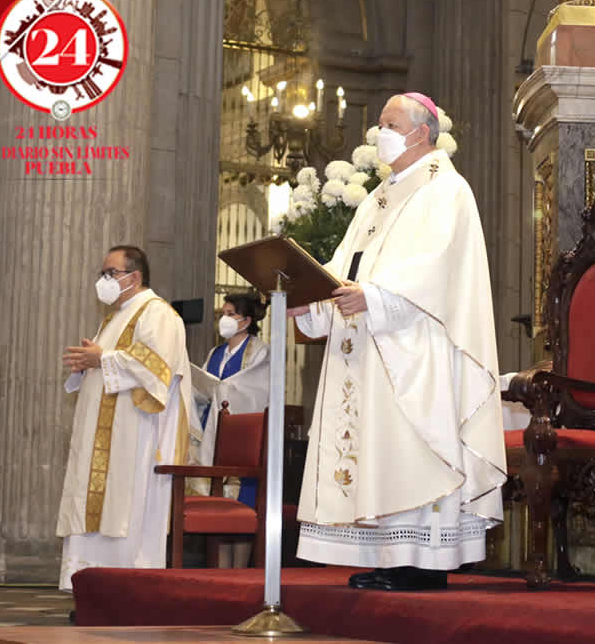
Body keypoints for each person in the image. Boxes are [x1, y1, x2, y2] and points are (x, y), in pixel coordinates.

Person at [287, 92, 506, 591]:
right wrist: (312, 302)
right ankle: (391, 555)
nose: (378, 134)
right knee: (381, 453)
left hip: (417, 348)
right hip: (368, 347)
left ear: (421, 133)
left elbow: (438, 268)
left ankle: (423, 563)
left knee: (413, 448)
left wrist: (378, 298)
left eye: (388, 124)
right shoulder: (377, 198)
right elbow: (344, 270)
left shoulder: (446, 189)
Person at [58, 245, 201, 590]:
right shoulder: (116, 316)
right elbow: (109, 361)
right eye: (102, 273)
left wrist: (102, 359)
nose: (103, 280)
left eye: (111, 273)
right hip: (104, 435)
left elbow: (156, 366)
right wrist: (88, 364)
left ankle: (126, 590)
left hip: (137, 435)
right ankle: (93, 589)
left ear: (134, 277)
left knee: (127, 509)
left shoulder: (158, 313)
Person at [192, 291, 269, 568]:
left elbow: (257, 388)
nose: (223, 319)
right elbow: (203, 387)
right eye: (222, 314)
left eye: (230, 314)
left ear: (246, 320)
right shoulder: (216, 352)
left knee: (242, 505)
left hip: (243, 437)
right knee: (219, 507)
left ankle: (241, 570)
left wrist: (224, 389)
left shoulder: (259, 350)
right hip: (213, 430)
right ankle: (222, 570)